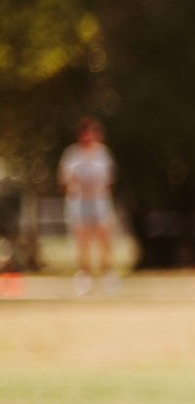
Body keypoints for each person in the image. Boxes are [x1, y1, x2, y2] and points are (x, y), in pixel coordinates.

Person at [58, 118, 117, 295]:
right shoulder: (72, 154)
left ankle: (108, 274)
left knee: (104, 237)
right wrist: (79, 185)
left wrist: (94, 187)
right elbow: (64, 180)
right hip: (79, 202)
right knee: (82, 240)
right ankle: (85, 276)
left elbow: (108, 180)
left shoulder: (103, 154)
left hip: (99, 202)